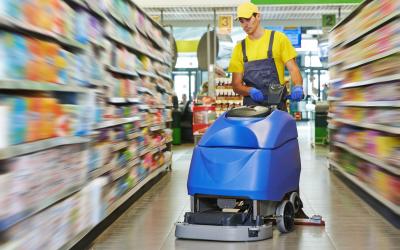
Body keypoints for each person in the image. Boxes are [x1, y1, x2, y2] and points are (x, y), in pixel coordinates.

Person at [228, 2, 304, 109]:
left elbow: (293, 69)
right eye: (242, 21)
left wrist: (298, 86)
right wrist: (250, 91)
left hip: (277, 105)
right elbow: (236, 85)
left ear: (258, 16)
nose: (245, 24)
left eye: (248, 19)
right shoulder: (239, 48)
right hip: (252, 108)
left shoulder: (278, 39)